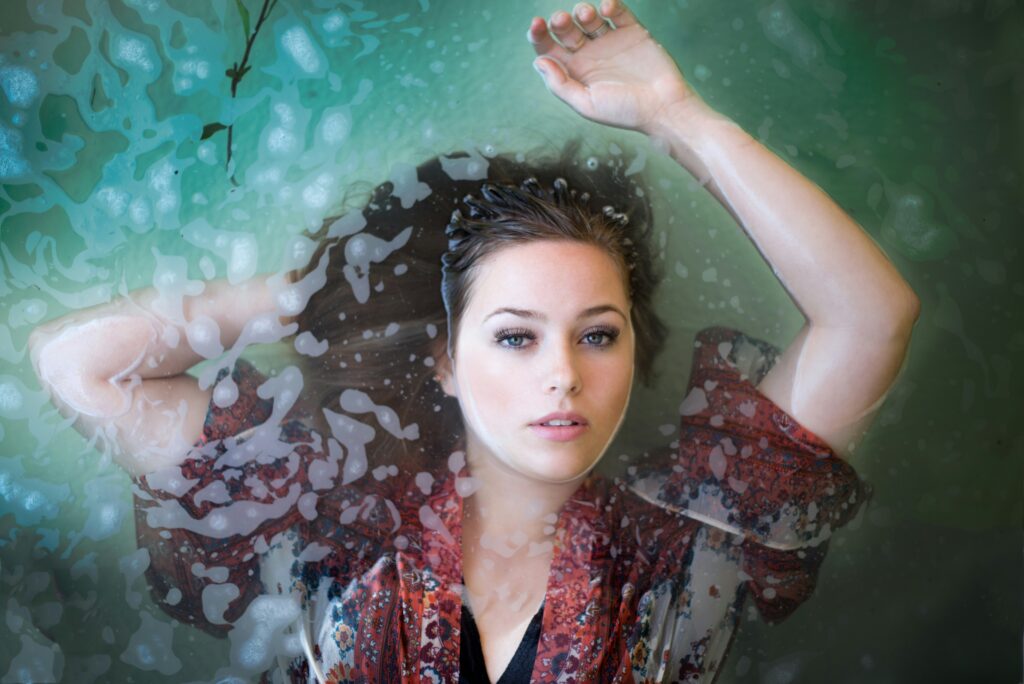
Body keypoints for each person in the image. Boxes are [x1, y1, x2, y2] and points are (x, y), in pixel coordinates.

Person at [27, 1, 920, 681]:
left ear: (634, 356)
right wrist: (332, 291)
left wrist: (679, 117)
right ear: (447, 360)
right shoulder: (333, 517)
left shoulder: (689, 540)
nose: (563, 377)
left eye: (597, 336)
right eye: (515, 338)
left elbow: (870, 317)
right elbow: (80, 367)